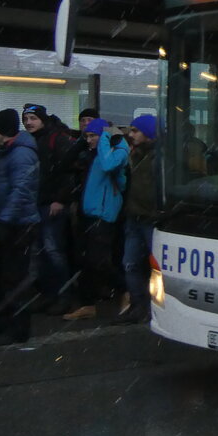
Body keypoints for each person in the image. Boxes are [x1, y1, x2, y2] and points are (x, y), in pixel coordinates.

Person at [0, 109, 40, 345]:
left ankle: (18, 329)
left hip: (19, 225)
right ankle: (1, 323)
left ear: (0, 130)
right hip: (7, 222)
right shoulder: (8, 151)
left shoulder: (21, 154)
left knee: (14, 279)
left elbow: (21, 190)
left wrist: (5, 221)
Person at [63, 118, 130, 321]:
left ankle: (126, 289)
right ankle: (87, 304)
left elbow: (109, 165)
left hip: (103, 214)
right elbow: (67, 162)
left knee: (98, 260)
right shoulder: (93, 153)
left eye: (93, 136)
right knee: (83, 261)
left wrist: (105, 138)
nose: (89, 140)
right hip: (88, 212)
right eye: (87, 136)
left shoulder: (118, 151)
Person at [22, 103, 78, 314]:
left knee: (53, 251)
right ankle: (50, 294)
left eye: (33, 118)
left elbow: (68, 171)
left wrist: (61, 199)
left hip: (51, 204)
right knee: (40, 253)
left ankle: (63, 296)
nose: (28, 122)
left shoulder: (56, 139)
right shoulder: (32, 141)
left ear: (42, 120)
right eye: (26, 119)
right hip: (37, 204)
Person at [118, 114, 157, 324]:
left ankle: (149, 306)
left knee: (149, 266)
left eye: (135, 131)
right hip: (135, 215)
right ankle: (139, 305)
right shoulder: (136, 155)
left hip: (149, 217)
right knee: (130, 263)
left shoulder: (157, 158)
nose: (130, 135)